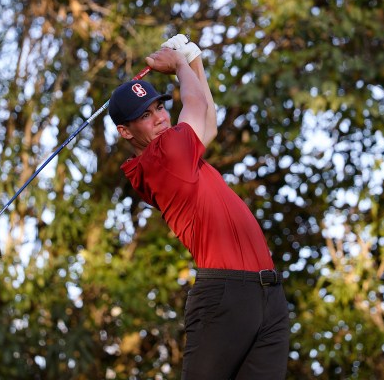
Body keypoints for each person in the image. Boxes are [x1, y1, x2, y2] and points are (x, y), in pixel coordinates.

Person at [109, 34, 289, 379]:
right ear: (125, 131)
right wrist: (179, 65)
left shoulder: (175, 151)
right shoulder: (163, 157)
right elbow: (196, 108)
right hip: (226, 294)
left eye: (160, 107)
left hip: (268, 297)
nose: (160, 118)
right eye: (145, 116)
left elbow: (207, 121)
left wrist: (194, 61)